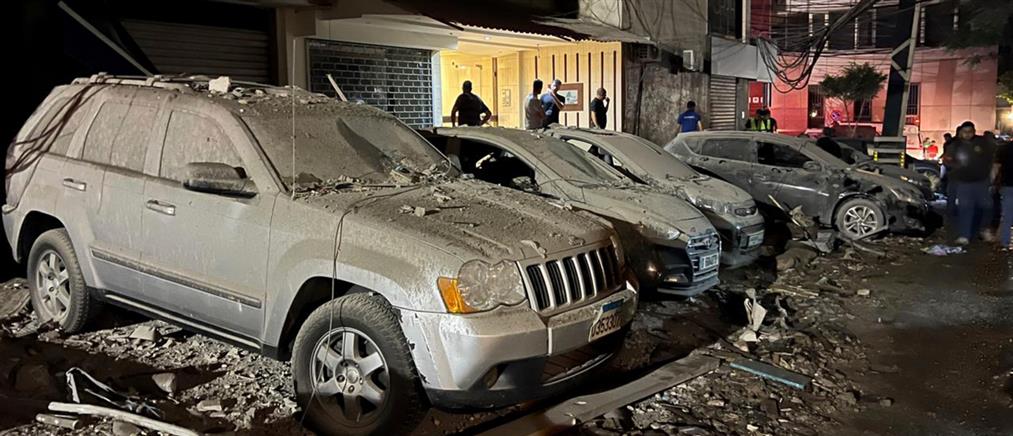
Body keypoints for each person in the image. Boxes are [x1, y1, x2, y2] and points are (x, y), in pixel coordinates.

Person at [942, 121, 997, 245]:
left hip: (981, 181)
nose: (967, 134)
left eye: (970, 132)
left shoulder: (982, 143)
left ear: (974, 131)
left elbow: (991, 158)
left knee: (986, 206)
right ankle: (964, 235)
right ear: (961, 132)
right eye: (965, 132)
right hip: (963, 182)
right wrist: (956, 168)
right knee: (965, 208)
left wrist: (990, 176)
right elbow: (947, 161)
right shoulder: (955, 145)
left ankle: (983, 229)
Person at [999, 139, 1013, 248]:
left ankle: (1005, 242)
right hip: (1007, 185)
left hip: (1008, 185)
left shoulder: (1006, 148)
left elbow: (997, 166)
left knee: (1007, 216)